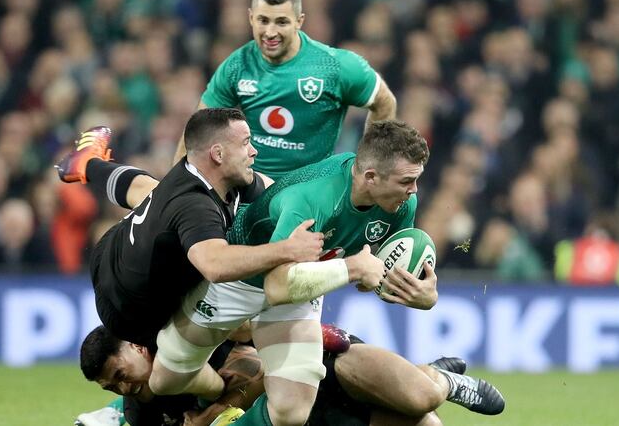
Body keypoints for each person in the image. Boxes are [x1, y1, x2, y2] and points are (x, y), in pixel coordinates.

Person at [151, 121, 504, 426]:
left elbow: (372, 277)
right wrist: (351, 269)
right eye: (407, 181)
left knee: (291, 412)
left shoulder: (399, 203)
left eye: (416, 180)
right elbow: (274, 284)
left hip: (300, 286)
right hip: (241, 279)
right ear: (369, 177)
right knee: (164, 381)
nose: (414, 192)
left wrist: (420, 296)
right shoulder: (312, 198)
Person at [55, 108, 325, 399]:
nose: (254, 151)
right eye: (246, 142)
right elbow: (214, 265)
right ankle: (219, 396)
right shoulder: (196, 207)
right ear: (218, 154)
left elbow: (276, 193)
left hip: (113, 251)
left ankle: (88, 164)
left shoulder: (199, 172)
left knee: (153, 193)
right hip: (130, 311)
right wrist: (287, 249)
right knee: (238, 328)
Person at [174, 0, 398, 179]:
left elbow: (385, 102)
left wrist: (371, 165)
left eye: (281, 22)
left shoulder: (335, 66)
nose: (270, 32)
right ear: (251, 18)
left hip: (311, 194)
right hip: (251, 193)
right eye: (263, 21)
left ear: (299, 21)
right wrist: (172, 196)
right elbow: (197, 132)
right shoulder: (237, 66)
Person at [76, 323, 502, 426]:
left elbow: (258, 369)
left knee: (421, 400)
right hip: (316, 420)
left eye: (119, 373)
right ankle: (430, 371)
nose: (123, 384)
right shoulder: (142, 412)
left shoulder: (189, 339)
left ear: (137, 347)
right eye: (112, 387)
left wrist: (214, 413)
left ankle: (444, 382)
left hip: (324, 369)